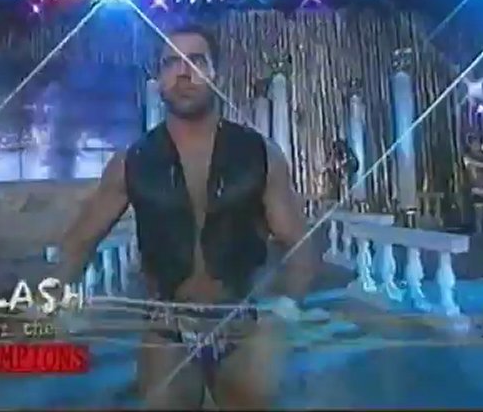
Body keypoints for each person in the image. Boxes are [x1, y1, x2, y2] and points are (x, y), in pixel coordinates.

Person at [56, 24, 319, 409]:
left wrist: (286, 309)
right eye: (171, 63)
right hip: (167, 329)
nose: (183, 72)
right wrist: (54, 304)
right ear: (158, 79)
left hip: (241, 325)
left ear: (215, 73)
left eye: (196, 61)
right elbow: (79, 241)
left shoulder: (259, 153)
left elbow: (299, 244)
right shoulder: (132, 161)